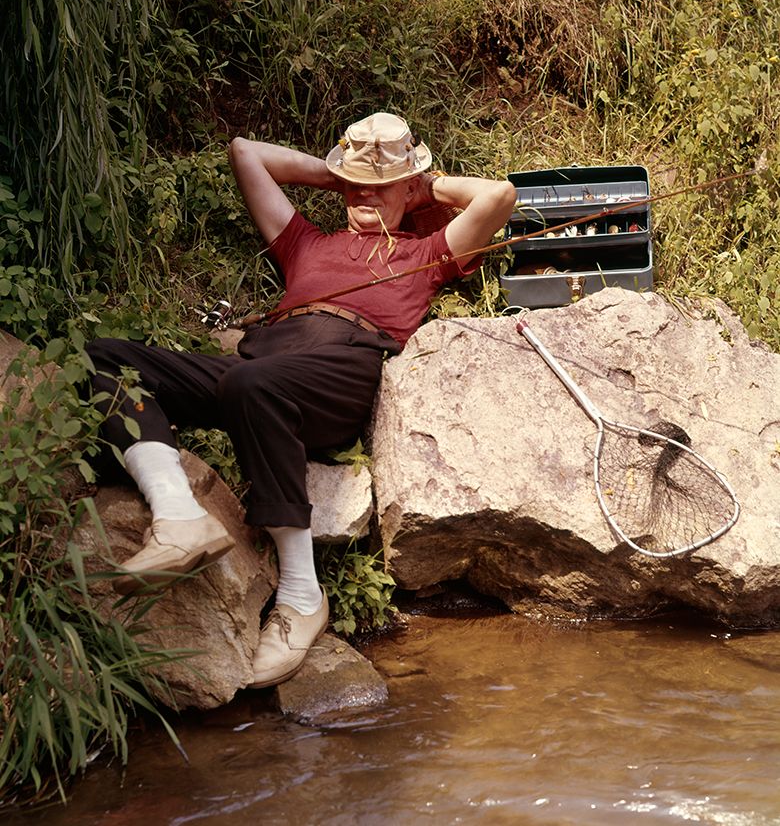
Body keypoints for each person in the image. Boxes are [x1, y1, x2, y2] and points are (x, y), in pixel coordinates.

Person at [86, 112, 516, 688]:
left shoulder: (427, 252)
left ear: (408, 191)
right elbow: (246, 152)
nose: (366, 194)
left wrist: (414, 183)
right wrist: (345, 175)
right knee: (106, 356)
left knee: (250, 383)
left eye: (381, 186)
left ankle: (301, 593)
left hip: (342, 369)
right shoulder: (307, 243)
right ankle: (179, 517)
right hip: (262, 366)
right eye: (356, 183)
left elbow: (498, 196)